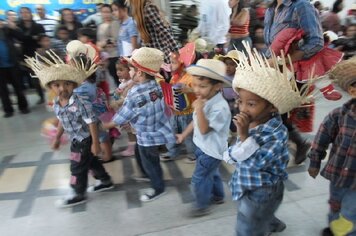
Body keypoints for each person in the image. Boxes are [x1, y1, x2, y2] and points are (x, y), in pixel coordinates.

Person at [223, 44, 310, 235]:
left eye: (251, 104)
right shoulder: (254, 121)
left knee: (247, 226)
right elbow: (237, 152)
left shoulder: (275, 134)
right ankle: (271, 223)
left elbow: (256, 163)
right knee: (259, 216)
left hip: (262, 190)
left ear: (272, 107)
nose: (243, 108)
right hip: (248, 183)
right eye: (240, 102)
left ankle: (262, 225)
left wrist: (244, 135)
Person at [25, 50, 113, 208]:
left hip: (85, 140)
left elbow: (92, 122)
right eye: (57, 85)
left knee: (76, 166)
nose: (62, 88)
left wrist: (95, 143)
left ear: (73, 85)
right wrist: (57, 138)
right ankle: (105, 180)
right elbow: (61, 122)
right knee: (90, 161)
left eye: (67, 84)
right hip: (76, 139)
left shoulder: (80, 102)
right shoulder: (58, 103)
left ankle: (77, 192)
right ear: (51, 87)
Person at [102, 47, 175, 202]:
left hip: (145, 136)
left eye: (131, 69)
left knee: (150, 162)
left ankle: (157, 187)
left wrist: (104, 126)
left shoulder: (135, 93)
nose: (130, 71)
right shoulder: (157, 84)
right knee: (147, 157)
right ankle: (150, 176)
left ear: (139, 73)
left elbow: (121, 117)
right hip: (157, 130)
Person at [176, 59, 231, 216]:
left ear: (217, 86)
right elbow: (195, 122)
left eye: (202, 86)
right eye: (195, 85)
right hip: (203, 146)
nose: (197, 90)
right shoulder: (205, 99)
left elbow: (204, 128)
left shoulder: (220, 107)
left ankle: (201, 206)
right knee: (212, 173)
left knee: (199, 178)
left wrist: (199, 109)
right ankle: (218, 196)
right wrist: (183, 135)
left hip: (211, 150)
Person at [308, 58, 356, 236]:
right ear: (352, 90)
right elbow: (321, 139)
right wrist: (314, 162)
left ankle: (345, 232)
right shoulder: (338, 115)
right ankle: (335, 226)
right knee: (335, 203)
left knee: (350, 213)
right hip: (338, 175)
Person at [160, 43, 197, 163]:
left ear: (182, 64)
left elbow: (199, 92)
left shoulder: (190, 78)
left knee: (189, 135)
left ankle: (192, 153)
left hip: (188, 113)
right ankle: (172, 151)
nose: (171, 65)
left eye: (174, 63)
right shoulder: (173, 78)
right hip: (174, 112)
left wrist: (189, 89)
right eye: (170, 62)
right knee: (172, 132)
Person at [128, 0, 179, 65]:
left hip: (151, 58)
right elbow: (164, 31)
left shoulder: (139, 12)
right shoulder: (149, 8)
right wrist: (176, 50)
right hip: (161, 55)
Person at [0, 19, 30, 118]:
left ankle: (23, 107)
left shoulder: (7, 30)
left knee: (18, 87)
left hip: (13, 65)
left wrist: (14, 28)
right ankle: (8, 110)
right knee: (3, 90)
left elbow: (21, 38)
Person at [17, 7, 46, 104]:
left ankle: (46, 95)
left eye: (27, 12)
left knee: (40, 77)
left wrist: (27, 39)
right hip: (24, 56)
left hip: (38, 55)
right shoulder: (18, 27)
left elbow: (42, 39)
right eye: (22, 12)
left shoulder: (38, 26)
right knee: (29, 79)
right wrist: (32, 37)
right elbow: (17, 41)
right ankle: (37, 97)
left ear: (31, 13)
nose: (25, 14)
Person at [110, 57, 136, 157]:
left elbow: (127, 98)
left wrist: (117, 101)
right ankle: (132, 146)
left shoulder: (131, 83)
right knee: (129, 130)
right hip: (124, 111)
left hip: (129, 112)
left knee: (131, 131)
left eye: (121, 70)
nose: (118, 72)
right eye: (117, 70)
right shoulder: (123, 82)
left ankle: (132, 148)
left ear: (130, 70)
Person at [96, 4, 120, 86]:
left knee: (117, 78)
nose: (105, 14)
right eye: (103, 12)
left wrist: (103, 44)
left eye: (107, 12)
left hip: (114, 55)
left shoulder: (115, 23)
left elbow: (115, 39)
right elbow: (98, 40)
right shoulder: (100, 25)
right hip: (104, 57)